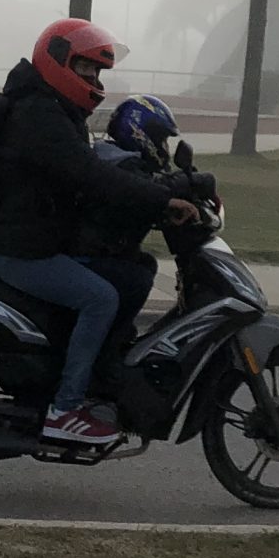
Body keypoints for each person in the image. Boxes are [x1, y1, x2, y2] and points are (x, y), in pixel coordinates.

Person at [0, 20, 210, 446]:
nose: (94, 81)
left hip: (31, 238)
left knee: (133, 271)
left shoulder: (49, 107)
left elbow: (85, 181)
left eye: (98, 73)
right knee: (100, 298)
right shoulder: (38, 115)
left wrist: (148, 205)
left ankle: (99, 368)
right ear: (59, 60)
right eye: (86, 70)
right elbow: (91, 176)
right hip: (17, 247)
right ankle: (64, 409)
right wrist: (160, 200)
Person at [81, 94, 187, 361]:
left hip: (103, 248)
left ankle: (119, 334)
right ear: (141, 133)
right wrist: (189, 183)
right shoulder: (119, 162)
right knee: (135, 279)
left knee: (145, 264)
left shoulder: (120, 158)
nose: (163, 147)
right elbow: (141, 189)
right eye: (160, 139)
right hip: (88, 252)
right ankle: (107, 352)